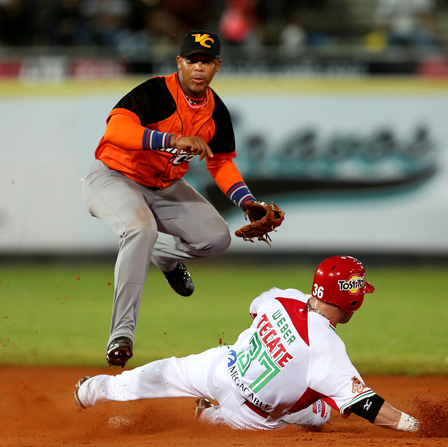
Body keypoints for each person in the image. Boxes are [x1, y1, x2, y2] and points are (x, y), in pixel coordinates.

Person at [81, 30, 271, 368]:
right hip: (113, 177)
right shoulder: (156, 92)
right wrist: (172, 139)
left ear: (217, 67)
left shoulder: (216, 112)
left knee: (216, 238)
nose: (199, 68)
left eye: (207, 62)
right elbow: (115, 131)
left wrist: (246, 201)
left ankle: (163, 256)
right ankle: (121, 335)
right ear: (180, 62)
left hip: (164, 187)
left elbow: (221, 161)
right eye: (193, 60)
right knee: (140, 228)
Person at [73, 256, 420, 432]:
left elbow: (256, 309)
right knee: (321, 411)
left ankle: (91, 391)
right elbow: (368, 406)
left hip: (220, 367)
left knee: (168, 371)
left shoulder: (284, 297)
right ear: (353, 300)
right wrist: (413, 425)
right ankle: (208, 418)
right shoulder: (327, 348)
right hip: (248, 417)